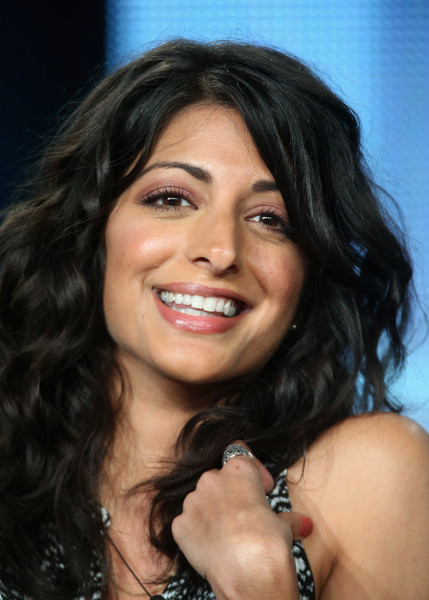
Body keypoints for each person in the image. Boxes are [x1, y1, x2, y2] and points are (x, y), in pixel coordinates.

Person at [0, 38, 428, 600]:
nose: (221, 250)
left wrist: (259, 585)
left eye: (272, 219)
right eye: (173, 199)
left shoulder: (370, 474)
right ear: (92, 235)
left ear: (309, 275)